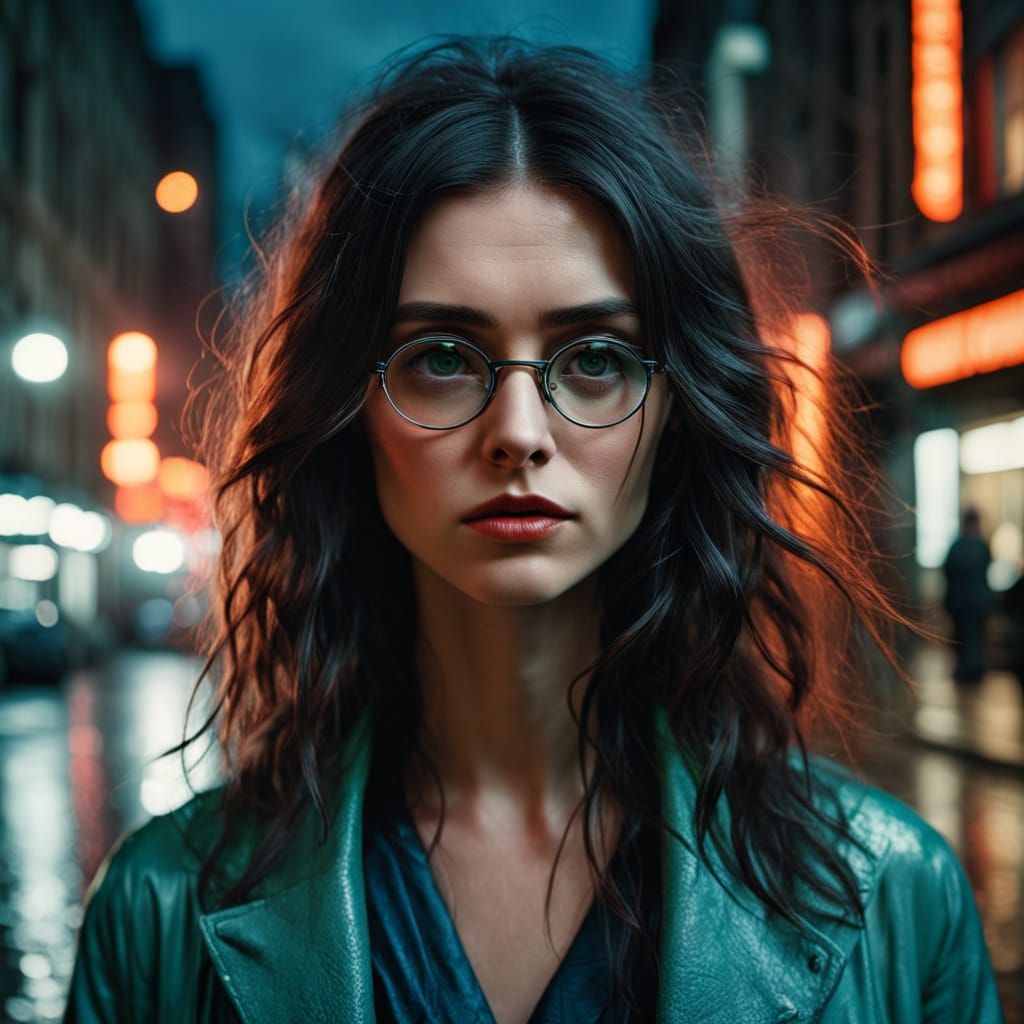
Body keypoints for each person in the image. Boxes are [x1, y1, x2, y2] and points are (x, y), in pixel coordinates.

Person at [63, 37, 1003, 1024]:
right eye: (441, 359)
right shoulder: (157, 908)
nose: (517, 433)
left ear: (675, 411)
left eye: (594, 359)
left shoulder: (896, 894)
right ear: (350, 412)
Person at [942, 508, 995, 684]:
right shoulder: (982, 546)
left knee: (962, 637)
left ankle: (965, 669)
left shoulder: (956, 547)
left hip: (958, 602)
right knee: (976, 637)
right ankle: (974, 669)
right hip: (978, 602)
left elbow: (947, 573)